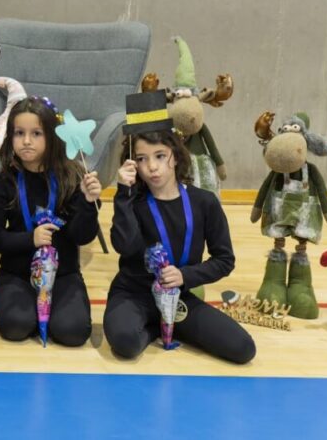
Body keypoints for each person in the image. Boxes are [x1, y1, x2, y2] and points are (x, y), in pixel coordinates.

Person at [103, 93, 255, 363]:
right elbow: (124, 246)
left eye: (160, 156)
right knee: (125, 344)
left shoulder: (204, 202)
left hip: (178, 294)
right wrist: (122, 195)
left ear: (175, 154)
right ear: (133, 163)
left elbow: (224, 260)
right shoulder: (133, 201)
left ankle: (171, 322)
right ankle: (155, 329)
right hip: (133, 294)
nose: (152, 167)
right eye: (141, 159)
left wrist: (186, 276)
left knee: (243, 349)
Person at [0, 97, 102, 346]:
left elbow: (82, 236)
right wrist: (31, 239)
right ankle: (30, 310)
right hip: (17, 274)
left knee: (73, 332)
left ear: (52, 136)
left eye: (36, 133)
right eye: (19, 133)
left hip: (63, 275)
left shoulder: (72, 179)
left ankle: (53, 312)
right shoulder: (5, 183)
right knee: (15, 327)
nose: (26, 141)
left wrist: (88, 203)